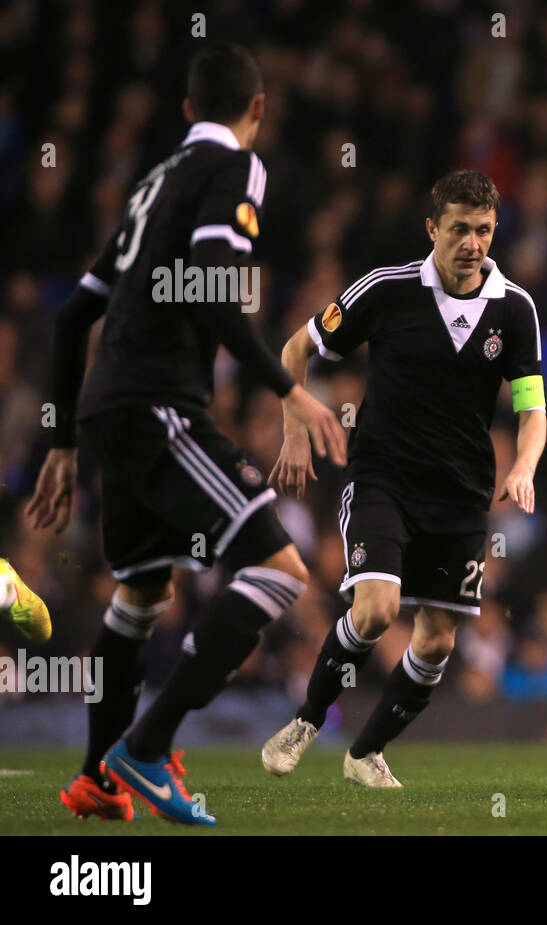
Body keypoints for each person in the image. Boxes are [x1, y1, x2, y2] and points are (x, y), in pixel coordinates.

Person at [29, 44, 347, 825]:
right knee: (278, 571)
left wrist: (65, 441)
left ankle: (97, 777)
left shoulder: (152, 182)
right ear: (258, 109)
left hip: (110, 408)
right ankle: (144, 745)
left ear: (183, 111)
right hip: (158, 403)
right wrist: (287, 390)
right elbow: (211, 285)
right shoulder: (238, 168)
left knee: (140, 594)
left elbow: (73, 318)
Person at [260, 170, 546, 787]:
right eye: (460, 229)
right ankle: (307, 721)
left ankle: (365, 754)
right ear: (432, 229)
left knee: (439, 641)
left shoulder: (515, 309)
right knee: (376, 609)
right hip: (383, 476)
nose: (473, 243)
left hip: (463, 494)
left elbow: (533, 408)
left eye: (485, 230)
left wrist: (524, 465)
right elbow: (294, 349)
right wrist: (292, 426)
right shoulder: (385, 291)